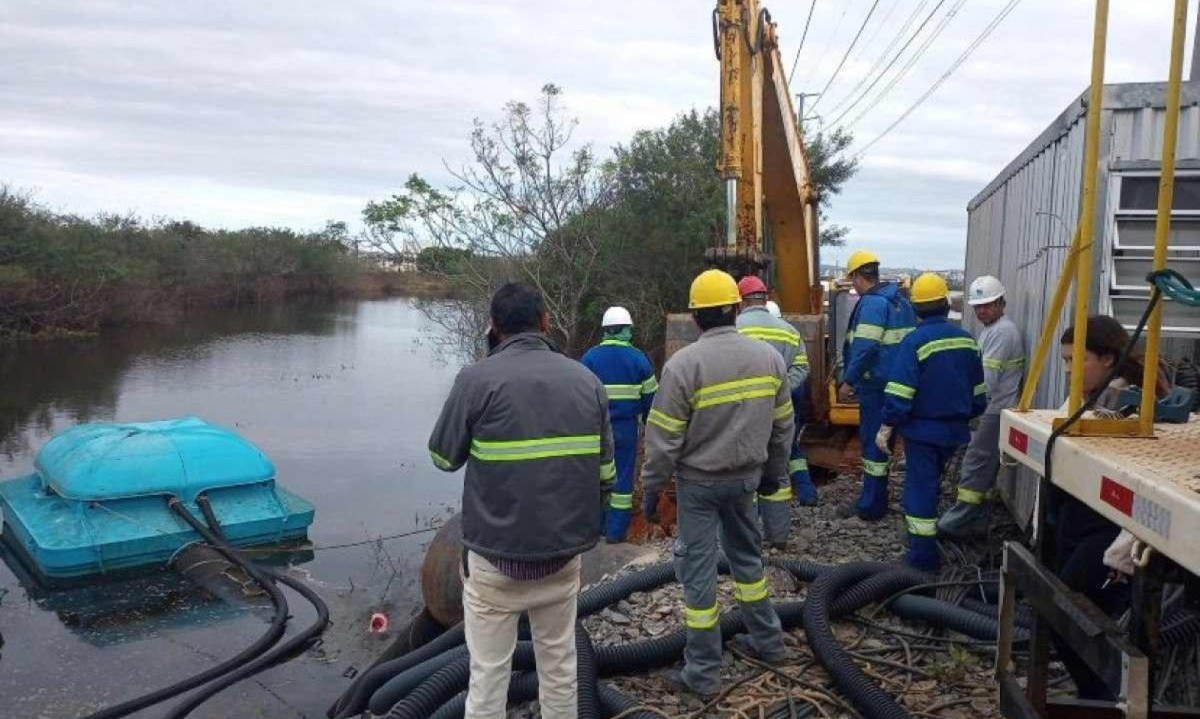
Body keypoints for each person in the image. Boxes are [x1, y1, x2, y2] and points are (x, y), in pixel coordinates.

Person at [428, 282, 615, 719]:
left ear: (493, 326)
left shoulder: (475, 379)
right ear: (546, 322)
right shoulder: (587, 381)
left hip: (494, 562)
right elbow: (606, 472)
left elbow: (441, 457)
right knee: (560, 667)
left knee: (489, 676)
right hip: (563, 557)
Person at [641, 269, 793, 698]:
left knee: (699, 574)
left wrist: (651, 490)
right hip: (746, 480)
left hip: (699, 487)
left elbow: (663, 440)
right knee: (749, 563)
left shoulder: (684, 365)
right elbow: (783, 428)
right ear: (736, 308)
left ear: (695, 317)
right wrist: (771, 475)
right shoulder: (769, 358)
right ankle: (770, 644)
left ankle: (704, 673)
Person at [1050, 315, 1170, 700]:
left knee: (1070, 621)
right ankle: (1100, 698)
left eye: (1076, 360)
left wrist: (1130, 536)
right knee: (1065, 615)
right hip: (1081, 520)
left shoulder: (1131, 403)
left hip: (1111, 530)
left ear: (1106, 358)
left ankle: (1105, 701)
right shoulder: (1086, 397)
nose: (1068, 369)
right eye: (1064, 360)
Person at [877, 273, 986, 570]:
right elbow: (978, 394)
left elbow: (900, 394)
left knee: (920, 490)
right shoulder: (967, 340)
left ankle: (922, 559)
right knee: (934, 485)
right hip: (956, 431)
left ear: (915, 309)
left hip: (924, 432)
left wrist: (888, 424)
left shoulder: (915, 342)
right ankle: (928, 541)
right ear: (946, 304)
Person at [938, 275, 1026, 538]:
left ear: (1001, 302)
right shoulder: (993, 329)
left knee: (975, 463)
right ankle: (977, 522)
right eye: (978, 306)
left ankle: (955, 522)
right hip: (992, 408)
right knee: (985, 466)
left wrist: (968, 409)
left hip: (993, 409)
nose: (981, 311)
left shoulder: (1001, 332)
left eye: (987, 305)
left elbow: (987, 380)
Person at [734, 276, 817, 550]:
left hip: (744, 414)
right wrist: (778, 390)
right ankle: (779, 536)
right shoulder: (789, 331)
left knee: (747, 469)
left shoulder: (734, 330)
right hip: (780, 412)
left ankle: (750, 536)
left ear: (741, 300)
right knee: (779, 471)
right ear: (765, 297)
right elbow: (802, 369)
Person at [838, 250, 917, 521]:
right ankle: (894, 500)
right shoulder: (902, 303)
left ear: (859, 276)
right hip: (901, 386)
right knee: (890, 443)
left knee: (873, 446)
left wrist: (848, 380)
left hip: (876, 387)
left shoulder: (872, 304)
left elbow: (865, 347)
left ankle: (871, 505)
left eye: (852, 279)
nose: (853, 285)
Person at [581, 306, 658, 543]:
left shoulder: (588, 359)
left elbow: (579, 398)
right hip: (625, 429)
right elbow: (651, 401)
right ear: (626, 330)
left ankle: (595, 529)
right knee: (622, 480)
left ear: (605, 330)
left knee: (594, 477)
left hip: (594, 429)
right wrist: (648, 426)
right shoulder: (639, 359)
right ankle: (615, 533)